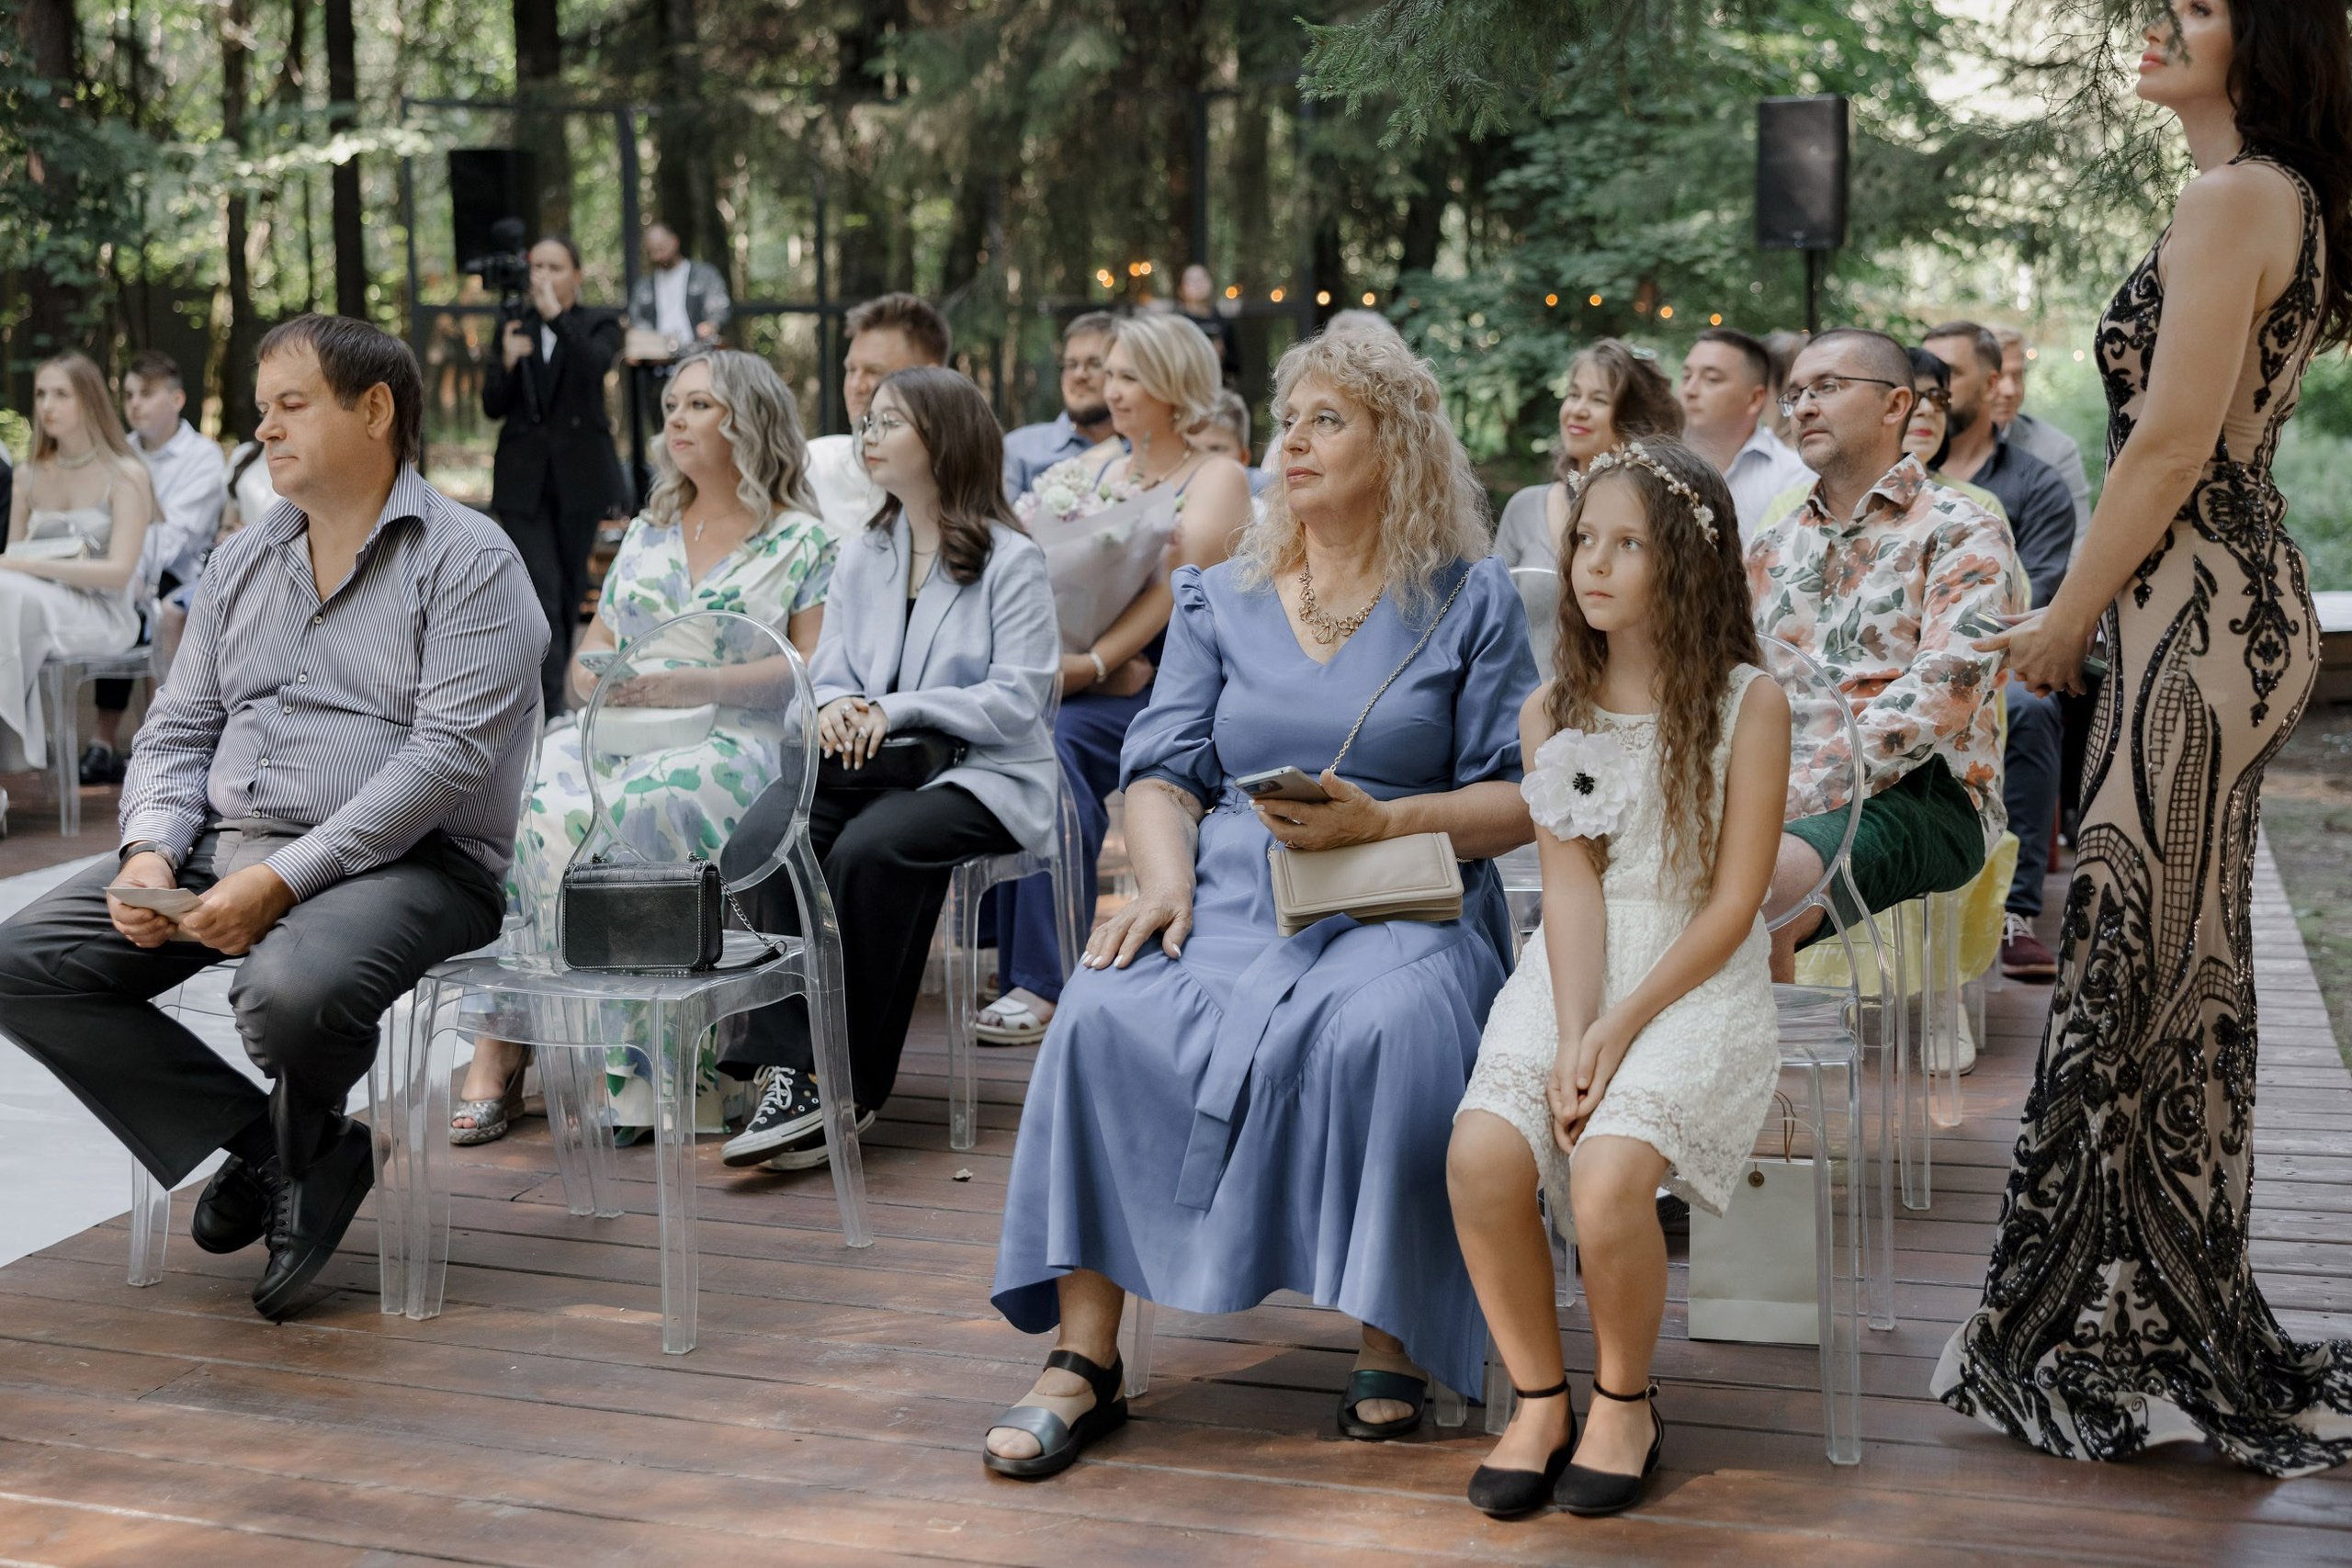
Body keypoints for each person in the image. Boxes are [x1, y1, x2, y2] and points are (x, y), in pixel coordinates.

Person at [984, 329, 1540, 1478]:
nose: (1293, 440)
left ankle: (1391, 1336)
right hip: (1231, 883)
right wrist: (1163, 881)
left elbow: (1521, 799)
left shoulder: (1467, 597)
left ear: (1402, 444)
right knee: (1104, 1008)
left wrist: (1386, 820)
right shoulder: (1218, 593)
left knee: (1383, 1034)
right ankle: (1086, 1359)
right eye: (1289, 418)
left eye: (1329, 419)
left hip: (1407, 894)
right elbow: (1156, 767)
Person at [1939, 0, 2352, 1477]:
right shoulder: (2281, 197)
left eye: (2195, 6)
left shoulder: (2235, 195)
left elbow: (2171, 443)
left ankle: (2098, 1322)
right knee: (2172, 968)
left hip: (2196, 625)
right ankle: (2143, 1309)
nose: (2159, 20)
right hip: (2218, 616)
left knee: (2137, 961)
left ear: (2269, 37)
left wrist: (2062, 616)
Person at [0, 314, 546, 1321]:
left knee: (285, 989)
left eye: (292, 405)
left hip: (412, 864)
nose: (268, 429)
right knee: (23, 963)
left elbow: (443, 763)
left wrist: (284, 879)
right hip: (224, 844)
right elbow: (175, 731)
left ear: (374, 410)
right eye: (263, 410)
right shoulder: (245, 561)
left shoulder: (472, 562)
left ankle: (288, 1154)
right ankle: (291, 1152)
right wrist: (154, 853)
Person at [1450, 439, 1789, 1520]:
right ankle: (1539, 1397)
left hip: (1695, 972)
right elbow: (1573, 891)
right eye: (1584, 539)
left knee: (1604, 1180)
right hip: (1577, 963)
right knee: (1482, 1152)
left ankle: (1625, 1399)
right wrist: (1571, 1030)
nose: (1592, 565)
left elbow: (1736, 905)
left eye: (1626, 544)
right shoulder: (1553, 712)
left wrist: (1625, 1025)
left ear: (1685, 558)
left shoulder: (1749, 705)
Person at [453, 349, 836, 1145]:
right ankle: (506, 1042)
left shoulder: (803, 540)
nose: (675, 419)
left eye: (699, 405)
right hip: (622, 732)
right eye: (671, 405)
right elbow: (593, 651)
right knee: (536, 796)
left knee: (645, 806)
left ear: (749, 420)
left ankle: (653, 1075)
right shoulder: (650, 529)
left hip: (738, 742)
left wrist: (696, 685)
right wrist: (600, 685)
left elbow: (812, 669)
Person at [714, 367, 1058, 1170]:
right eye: (866, 423)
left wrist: (893, 711)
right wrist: (834, 705)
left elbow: (1017, 702)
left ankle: (842, 1085)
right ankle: (788, 1067)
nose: (866, 436)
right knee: (768, 836)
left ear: (943, 439)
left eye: (887, 423)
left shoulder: (1012, 561)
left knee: (867, 852)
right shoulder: (866, 551)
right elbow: (828, 669)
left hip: (984, 773)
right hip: (868, 764)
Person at [975, 312, 1250, 1046]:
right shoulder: (1088, 472)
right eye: (1111, 373)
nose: (1111, 388)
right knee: (1034, 737)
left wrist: (1094, 665)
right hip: (1085, 673)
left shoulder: (1217, 476)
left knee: (1060, 739)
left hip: (1177, 683)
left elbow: (1184, 589)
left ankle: (1040, 979)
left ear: (1176, 385)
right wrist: (1066, 661)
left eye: (1131, 375)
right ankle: (1025, 960)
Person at [1748, 328, 2022, 983]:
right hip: (1773, 787)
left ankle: (1768, 1077)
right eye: (1794, 395)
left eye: (1828, 387)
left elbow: (1942, 695)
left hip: (1928, 791)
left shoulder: (1962, 529)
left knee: (1756, 881)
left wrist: (1780, 793)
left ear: (1896, 404)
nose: (1805, 406)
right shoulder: (1769, 547)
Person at [1919, 321, 2078, 983]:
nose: (1930, 389)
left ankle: (2015, 911)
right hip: (1904, 664)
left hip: (2000, 663)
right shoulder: (1897, 477)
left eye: (1946, 376)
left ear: (1991, 386)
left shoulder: (2036, 484)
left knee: (2031, 709)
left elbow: (2034, 601)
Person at [483, 234, 627, 718]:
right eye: (536, 266)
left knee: (568, 589)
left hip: (579, 476)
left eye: (555, 266)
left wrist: (554, 318)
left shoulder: (597, 322)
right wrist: (504, 362)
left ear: (577, 275)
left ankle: (562, 701)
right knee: (540, 588)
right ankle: (546, 708)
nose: (543, 275)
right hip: (523, 480)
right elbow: (492, 404)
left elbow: (593, 366)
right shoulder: (511, 322)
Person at [0, 353, 156, 773]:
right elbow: (12, 561)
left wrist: (29, 566)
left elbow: (119, 573)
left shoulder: (126, 474)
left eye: (61, 394)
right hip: (29, 607)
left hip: (103, 613)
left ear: (88, 400)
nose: (46, 405)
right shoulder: (27, 474)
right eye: (40, 394)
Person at [83, 351, 225, 785]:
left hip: (185, 572)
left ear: (177, 399)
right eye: (128, 395)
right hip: (128, 568)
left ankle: (159, 738)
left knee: (137, 595)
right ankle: (104, 741)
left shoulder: (202, 456)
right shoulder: (117, 453)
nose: (134, 405)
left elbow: (178, 534)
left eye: (146, 394)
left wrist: (126, 566)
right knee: (113, 592)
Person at [1494, 340, 1680, 572]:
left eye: (1598, 400)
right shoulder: (1524, 509)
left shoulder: (1660, 514)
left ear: (1636, 419)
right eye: (1573, 395)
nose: (1577, 410)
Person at [804, 292, 952, 539]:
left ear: (931, 379)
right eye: (851, 369)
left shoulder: (969, 482)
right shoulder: (810, 468)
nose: (856, 386)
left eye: (874, 371)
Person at [1677, 326, 1813, 545]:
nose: (1689, 390)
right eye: (1685, 377)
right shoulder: (1654, 464)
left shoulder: (1794, 475)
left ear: (1755, 398)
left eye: (1711, 379)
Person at [1987, 324, 2092, 549]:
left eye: (2017, 376)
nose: (2010, 390)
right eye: (1996, 378)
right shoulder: (1934, 446)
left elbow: (2078, 543)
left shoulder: (2056, 451)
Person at [1002, 311, 1116, 502]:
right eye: (1071, 365)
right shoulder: (1018, 449)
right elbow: (999, 528)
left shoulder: (1143, 452)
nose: (1079, 375)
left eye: (1095, 364)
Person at [626, 221, 732, 355]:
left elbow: (719, 307)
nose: (657, 256)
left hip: (698, 353)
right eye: (651, 251)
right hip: (657, 357)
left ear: (675, 241)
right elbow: (636, 320)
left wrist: (711, 324)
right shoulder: (644, 287)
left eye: (661, 248)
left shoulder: (704, 275)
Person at [1194, 387, 1273, 497]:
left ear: (1243, 457)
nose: (1203, 461)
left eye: (1216, 449)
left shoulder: (1265, 491)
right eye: (1193, 450)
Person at [1177, 263, 1242, 383]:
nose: (1198, 284)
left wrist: (1221, 354)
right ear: (1181, 289)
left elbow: (1236, 366)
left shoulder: (1223, 322)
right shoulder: (1178, 323)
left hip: (1218, 387)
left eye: (1202, 278)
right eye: (1191, 280)